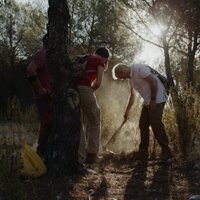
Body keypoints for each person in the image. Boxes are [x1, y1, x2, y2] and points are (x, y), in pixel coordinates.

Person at [112, 63, 172, 160]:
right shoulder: (130, 80)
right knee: (143, 124)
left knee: (155, 123)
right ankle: (143, 152)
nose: (123, 79)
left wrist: (153, 100)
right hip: (148, 100)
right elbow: (133, 96)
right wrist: (127, 111)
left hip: (158, 97)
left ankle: (166, 150)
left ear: (122, 71)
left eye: (121, 77)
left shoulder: (139, 68)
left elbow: (153, 82)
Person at [77, 47, 111, 165]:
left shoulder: (84, 58)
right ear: (105, 57)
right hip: (85, 89)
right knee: (95, 119)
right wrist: (90, 90)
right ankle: (92, 155)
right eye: (107, 60)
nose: (106, 62)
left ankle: (79, 157)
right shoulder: (99, 61)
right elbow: (98, 83)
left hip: (71, 91)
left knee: (78, 124)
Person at [26, 34, 53, 156]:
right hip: (44, 96)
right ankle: (40, 152)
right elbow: (30, 70)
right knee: (46, 123)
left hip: (49, 96)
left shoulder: (50, 55)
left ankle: (44, 151)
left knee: (50, 123)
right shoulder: (42, 54)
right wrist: (40, 89)